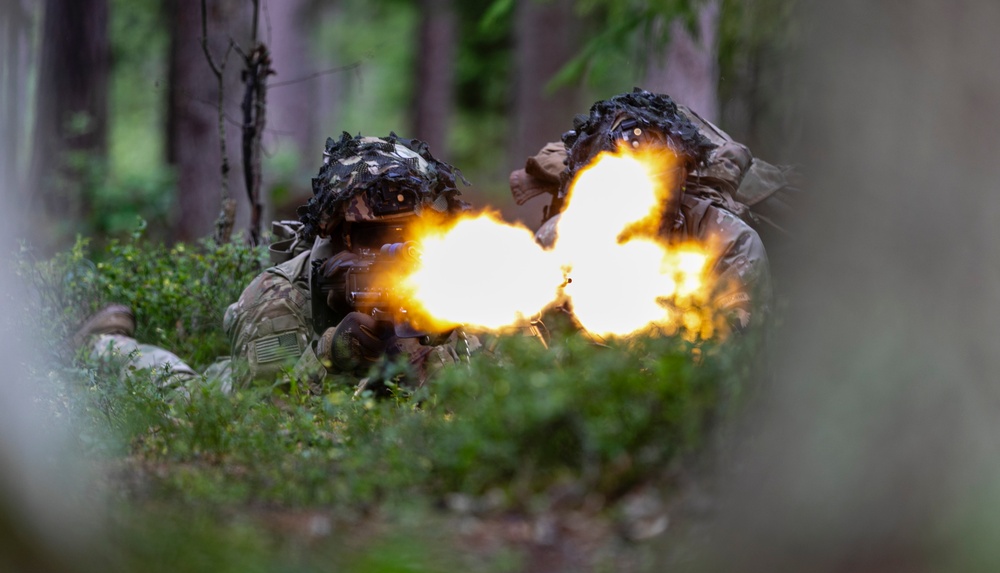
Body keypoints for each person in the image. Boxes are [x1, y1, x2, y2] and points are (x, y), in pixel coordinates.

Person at [77, 132, 478, 395]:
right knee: (180, 391)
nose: (397, 250)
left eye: (409, 234)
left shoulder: (442, 282)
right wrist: (330, 352)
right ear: (336, 232)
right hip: (247, 382)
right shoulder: (280, 297)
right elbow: (257, 416)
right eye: (374, 237)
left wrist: (442, 345)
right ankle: (107, 344)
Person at [510, 89, 789, 337]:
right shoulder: (560, 239)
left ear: (682, 176)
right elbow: (524, 349)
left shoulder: (728, 241)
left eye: (660, 177)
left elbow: (734, 359)